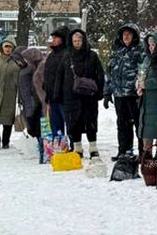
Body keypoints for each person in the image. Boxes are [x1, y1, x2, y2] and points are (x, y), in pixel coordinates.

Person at [53, 29, 105, 159]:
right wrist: (57, 94)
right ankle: (77, 148)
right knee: (73, 122)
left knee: (90, 122)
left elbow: (100, 74)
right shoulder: (67, 56)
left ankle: (93, 147)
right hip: (71, 96)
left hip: (89, 96)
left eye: (79, 41)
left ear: (84, 41)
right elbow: (60, 76)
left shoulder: (92, 56)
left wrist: (99, 91)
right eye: (74, 41)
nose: (77, 43)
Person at [104, 23, 143, 159]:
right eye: (124, 34)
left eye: (129, 34)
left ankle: (143, 152)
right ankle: (124, 151)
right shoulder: (117, 52)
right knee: (122, 124)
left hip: (134, 95)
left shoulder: (139, 52)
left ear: (134, 36)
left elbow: (143, 72)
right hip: (119, 94)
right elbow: (109, 73)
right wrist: (107, 92)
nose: (126, 37)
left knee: (138, 124)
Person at [137, 32, 157, 156]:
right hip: (146, 101)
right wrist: (138, 83)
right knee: (147, 131)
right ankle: (147, 154)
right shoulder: (146, 59)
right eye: (149, 45)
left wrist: (146, 84)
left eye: (153, 45)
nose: (151, 47)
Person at [17, 46, 47, 161]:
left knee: (38, 125)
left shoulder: (41, 67)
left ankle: (41, 146)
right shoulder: (34, 67)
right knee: (35, 124)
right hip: (36, 100)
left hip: (40, 100)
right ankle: (38, 146)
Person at [42, 26, 71, 139]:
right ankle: (58, 146)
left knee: (69, 123)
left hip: (64, 97)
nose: (53, 40)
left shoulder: (68, 54)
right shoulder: (52, 55)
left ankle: (73, 147)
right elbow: (48, 74)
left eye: (55, 38)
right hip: (52, 96)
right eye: (52, 37)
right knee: (55, 125)